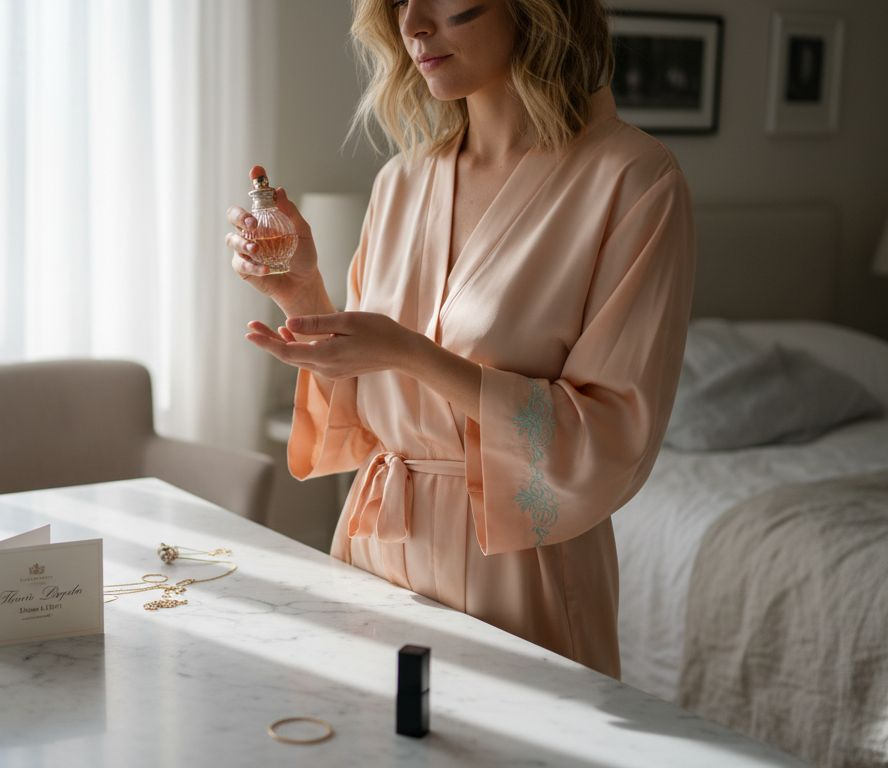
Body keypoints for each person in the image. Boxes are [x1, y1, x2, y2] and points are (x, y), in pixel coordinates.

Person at [225, 0, 694, 679]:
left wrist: (408, 352)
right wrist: (304, 292)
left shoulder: (633, 180)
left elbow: (613, 433)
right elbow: (366, 412)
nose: (411, 22)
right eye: (397, 3)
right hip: (378, 551)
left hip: (520, 568)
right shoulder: (401, 181)